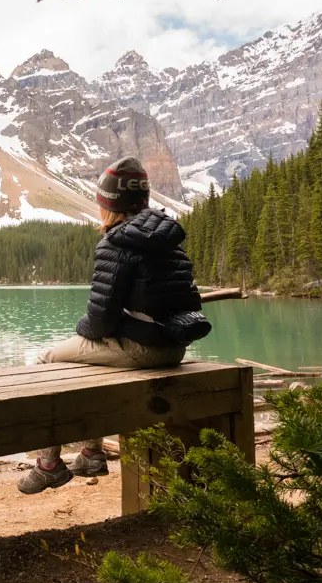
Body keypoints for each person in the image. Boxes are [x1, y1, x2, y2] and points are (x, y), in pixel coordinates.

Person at [18, 156, 203, 494]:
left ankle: (48, 465)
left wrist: (82, 329)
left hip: (142, 350)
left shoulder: (116, 241)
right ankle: (90, 455)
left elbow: (100, 318)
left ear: (108, 205)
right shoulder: (169, 240)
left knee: (47, 359)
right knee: (88, 365)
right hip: (173, 348)